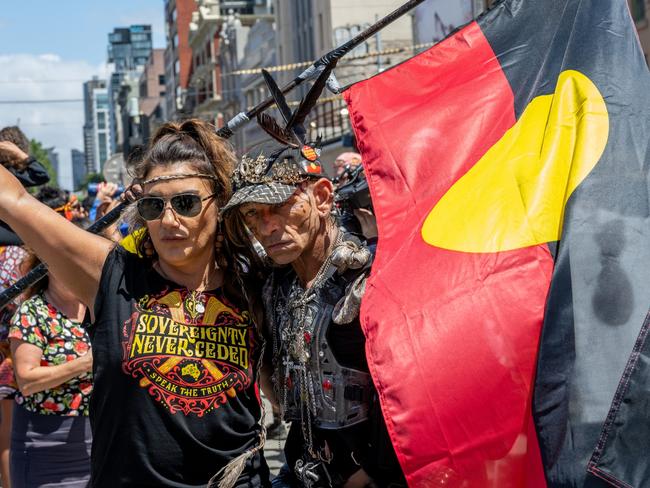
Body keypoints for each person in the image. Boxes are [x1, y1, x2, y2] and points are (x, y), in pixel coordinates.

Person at [0, 119, 270, 487]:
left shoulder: (255, 286)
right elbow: (12, 200)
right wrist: (14, 157)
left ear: (219, 203)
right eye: (153, 206)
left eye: (186, 203)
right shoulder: (111, 276)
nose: (168, 219)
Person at [222, 144, 406, 488]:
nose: (266, 227)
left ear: (321, 198)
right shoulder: (276, 282)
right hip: (304, 471)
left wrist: (372, 470)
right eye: (252, 214)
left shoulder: (371, 276)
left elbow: (406, 392)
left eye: (278, 207)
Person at [9, 186, 93, 488]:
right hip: (45, 445)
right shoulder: (34, 312)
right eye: (67, 260)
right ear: (48, 263)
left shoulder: (101, 308)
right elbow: (27, 380)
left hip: (99, 443)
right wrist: (84, 364)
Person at [0, 126, 50, 247]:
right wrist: (20, 154)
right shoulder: (9, 175)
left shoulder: (11, 173)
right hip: (13, 240)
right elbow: (42, 175)